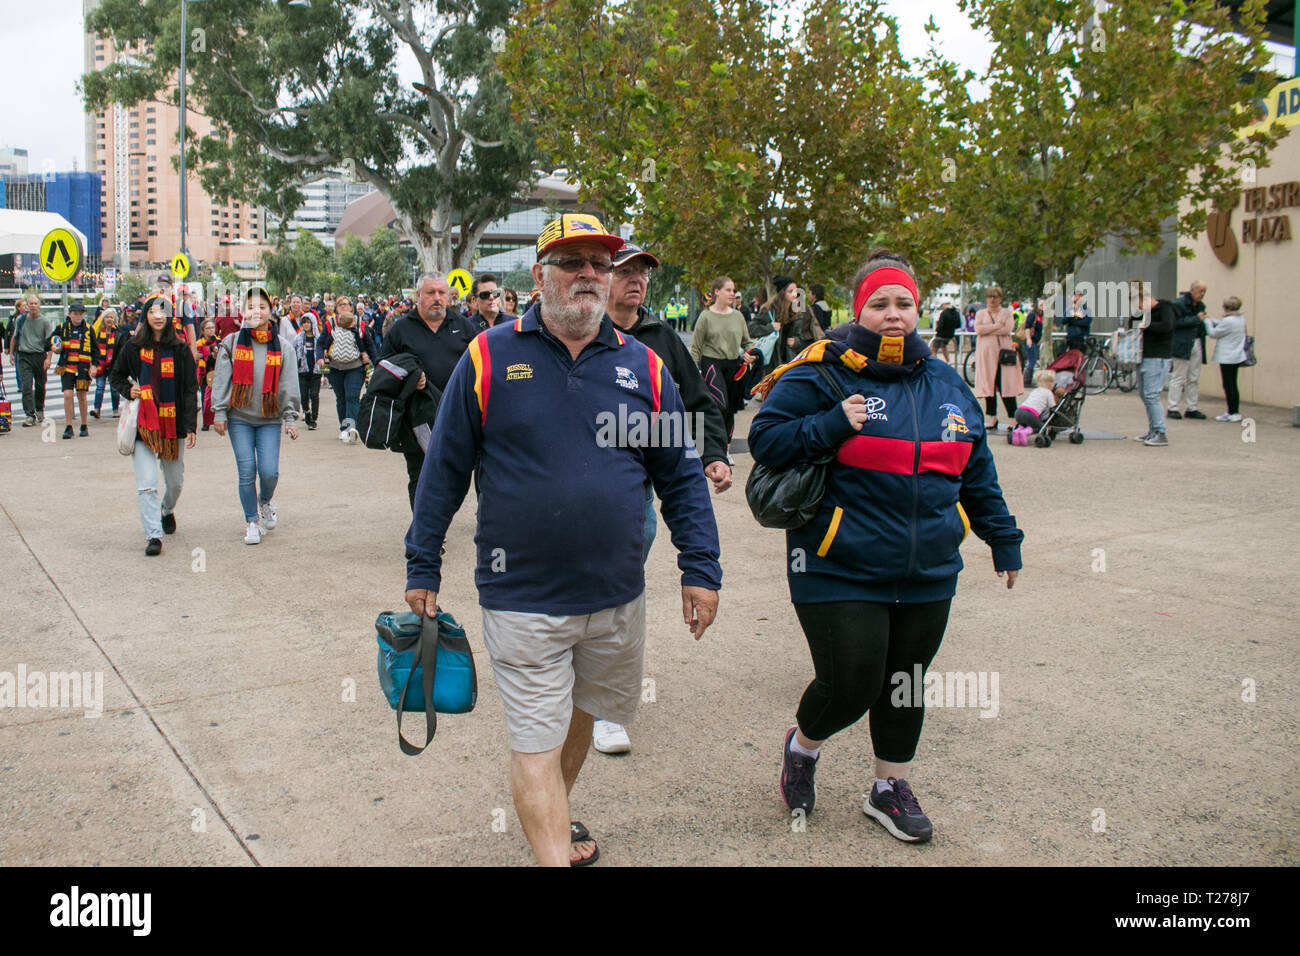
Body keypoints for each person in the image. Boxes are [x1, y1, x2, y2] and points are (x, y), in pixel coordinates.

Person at [404, 213, 722, 867]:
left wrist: (701, 566)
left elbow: (681, 476)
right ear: (539, 275)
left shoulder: (646, 368)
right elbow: (444, 471)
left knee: (585, 711)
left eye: (599, 264)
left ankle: (553, 812)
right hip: (521, 593)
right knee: (535, 740)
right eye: (572, 261)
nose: (589, 274)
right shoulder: (488, 357)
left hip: (615, 592)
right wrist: (423, 562)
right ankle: (551, 848)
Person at [748, 249, 1023, 845]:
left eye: (904, 304)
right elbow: (765, 441)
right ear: (858, 308)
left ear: (918, 310)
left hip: (927, 569)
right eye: (879, 304)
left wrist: (1003, 538)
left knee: (906, 680)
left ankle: (888, 788)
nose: (893, 315)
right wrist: (830, 426)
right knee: (853, 681)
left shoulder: (947, 384)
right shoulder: (820, 371)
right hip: (835, 562)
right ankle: (802, 748)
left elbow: (976, 472)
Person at [593, 240, 733, 756]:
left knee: (623, 571)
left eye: (644, 273)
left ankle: (604, 706)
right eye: (627, 271)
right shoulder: (580, 331)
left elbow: (698, 403)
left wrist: (714, 454)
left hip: (637, 484)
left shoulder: (661, 341)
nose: (637, 281)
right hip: (572, 484)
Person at [378, 274, 480, 509]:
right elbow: (383, 367)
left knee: (455, 474)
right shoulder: (401, 329)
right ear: (418, 297)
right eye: (430, 293)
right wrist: (409, 379)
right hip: (418, 418)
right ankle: (425, 531)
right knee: (422, 473)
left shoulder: (462, 325)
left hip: (457, 415)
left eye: (442, 293)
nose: (437, 298)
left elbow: (481, 363)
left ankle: (437, 522)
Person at [211, 286, 301, 545]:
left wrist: (290, 418)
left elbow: (288, 385)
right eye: (250, 307)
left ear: (270, 312)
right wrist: (219, 412)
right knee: (246, 471)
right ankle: (251, 521)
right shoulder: (230, 343)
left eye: (261, 307)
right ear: (242, 312)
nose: (256, 311)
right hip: (239, 417)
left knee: (269, 472)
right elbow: (221, 381)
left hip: (270, 419)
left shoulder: (283, 348)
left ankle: (264, 501)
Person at [109, 294, 198, 556]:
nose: (158, 316)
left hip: (173, 426)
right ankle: (153, 535)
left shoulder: (181, 350)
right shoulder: (132, 347)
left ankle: (166, 509)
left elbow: (190, 389)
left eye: (163, 311)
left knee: (175, 483)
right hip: (143, 426)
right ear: (145, 316)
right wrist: (129, 389)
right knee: (146, 484)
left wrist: (191, 425)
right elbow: (115, 375)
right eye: (153, 311)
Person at [690, 275, 759, 442]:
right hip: (711, 363)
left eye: (733, 290)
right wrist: (690, 375)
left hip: (733, 365)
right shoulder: (705, 317)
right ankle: (715, 442)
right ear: (716, 292)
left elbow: (747, 342)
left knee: (731, 408)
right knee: (720, 404)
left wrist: (752, 355)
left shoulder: (738, 317)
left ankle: (726, 448)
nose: (732, 293)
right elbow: (696, 348)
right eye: (728, 290)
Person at [317, 295, 375, 442]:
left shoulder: (360, 323)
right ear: (336, 308)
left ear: (351, 307)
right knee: (341, 398)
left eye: (346, 304)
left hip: (356, 367)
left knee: (352, 396)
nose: (343, 307)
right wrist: (319, 357)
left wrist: (377, 362)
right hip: (335, 367)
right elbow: (320, 342)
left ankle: (351, 428)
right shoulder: (330, 323)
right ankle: (343, 428)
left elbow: (369, 344)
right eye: (340, 305)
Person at [1128, 280, 1177, 446]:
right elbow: (1132, 324)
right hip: (1144, 356)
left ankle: (1160, 431)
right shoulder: (1144, 313)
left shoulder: (1165, 309)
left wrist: (1146, 326)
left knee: (1151, 395)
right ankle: (1153, 430)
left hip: (1158, 356)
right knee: (1144, 394)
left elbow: (1167, 326)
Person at [973, 286, 1022, 430]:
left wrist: (989, 328)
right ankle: (992, 417)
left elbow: (1007, 329)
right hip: (986, 355)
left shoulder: (1006, 313)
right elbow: (978, 329)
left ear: (1000, 298)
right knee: (989, 386)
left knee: (1006, 385)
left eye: (995, 297)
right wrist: (996, 326)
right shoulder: (981, 313)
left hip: (1003, 354)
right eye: (989, 297)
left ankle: (1014, 417)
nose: (992, 300)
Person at [50, 302, 100, 439]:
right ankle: (68, 426)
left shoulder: (89, 329)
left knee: (82, 397)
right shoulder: (62, 327)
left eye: (80, 314)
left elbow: (96, 351)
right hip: (66, 368)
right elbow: (50, 341)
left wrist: (94, 365)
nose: (78, 316)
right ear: (69, 314)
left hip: (82, 368)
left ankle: (84, 425)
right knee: (67, 395)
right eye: (75, 313)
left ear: (83, 315)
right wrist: (54, 347)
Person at [1167, 281, 1208, 420]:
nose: (1202, 294)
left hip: (1195, 341)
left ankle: (1192, 407)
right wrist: (1196, 319)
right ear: (1192, 290)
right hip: (1182, 343)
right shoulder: (1179, 304)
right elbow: (1175, 323)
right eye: (1200, 291)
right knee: (1179, 376)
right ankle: (1172, 407)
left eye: (1204, 291)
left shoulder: (1200, 306)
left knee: (1194, 377)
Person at [15, 295, 55, 428]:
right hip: (24, 356)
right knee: (26, 386)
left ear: (39, 305)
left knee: (40, 386)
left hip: (40, 356)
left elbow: (50, 342)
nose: (32, 306)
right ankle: (29, 415)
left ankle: (39, 409)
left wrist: (48, 358)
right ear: (27, 305)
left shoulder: (44, 321)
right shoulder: (20, 320)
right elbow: (15, 337)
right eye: (30, 304)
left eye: (35, 303)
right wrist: (10, 353)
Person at [1206, 296, 1247, 423]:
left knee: (1229, 385)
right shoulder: (1240, 319)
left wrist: (1206, 321)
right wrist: (1213, 320)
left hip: (1227, 358)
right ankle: (1233, 411)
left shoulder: (1228, 321)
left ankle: (1233, 412)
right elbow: (1223, 325)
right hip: (1236, 356)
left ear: (1226, 308)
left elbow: (1213, 333)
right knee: (1232, 384)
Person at [293, 310, 323, 431]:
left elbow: (324, 354)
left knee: (314, 395)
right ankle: (307, 412)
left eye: (308, 322)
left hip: (316, 371)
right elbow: (293, 353)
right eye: (304, 322)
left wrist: (325, 373)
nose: (306, 325)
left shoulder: (319, 338)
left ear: (313, 323)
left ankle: (313, 419)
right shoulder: (297, 338)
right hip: (302, 371)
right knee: (304, 396)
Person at [91, 307, 121, 420]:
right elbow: (93, 349)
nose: (109, 319)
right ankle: (96, 409)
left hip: (113, 364)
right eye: (107, 317)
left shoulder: (118, 333)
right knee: (99, 387)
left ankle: (115, 409)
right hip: (100, 363)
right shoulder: (98, 333)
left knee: (114, 388)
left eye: (111, 317)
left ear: (115, 320)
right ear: (103, 319)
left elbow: (121, 349)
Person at [195, 318, 219, 431]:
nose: (211, 330)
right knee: (206, 398)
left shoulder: (219, 342)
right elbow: (196, 356)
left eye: (212, 328)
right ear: (203, 330)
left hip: (217, 372)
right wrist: (207, 351)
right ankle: (206, 422)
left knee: (218, 398)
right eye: (208, 328)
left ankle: (219, 420)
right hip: (203, 373)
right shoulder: (198, 343)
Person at [1063, 290, 1091, 356]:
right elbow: (1063, 320)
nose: (1077, 298)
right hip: (1071, 339)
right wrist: (1075, 315)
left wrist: (1073, 321)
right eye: (1076, 295)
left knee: (1080, 359)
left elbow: (1086, 322)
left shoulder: (1087, 309)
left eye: (1080, 296)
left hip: (1081, 339)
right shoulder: (1069, 309)